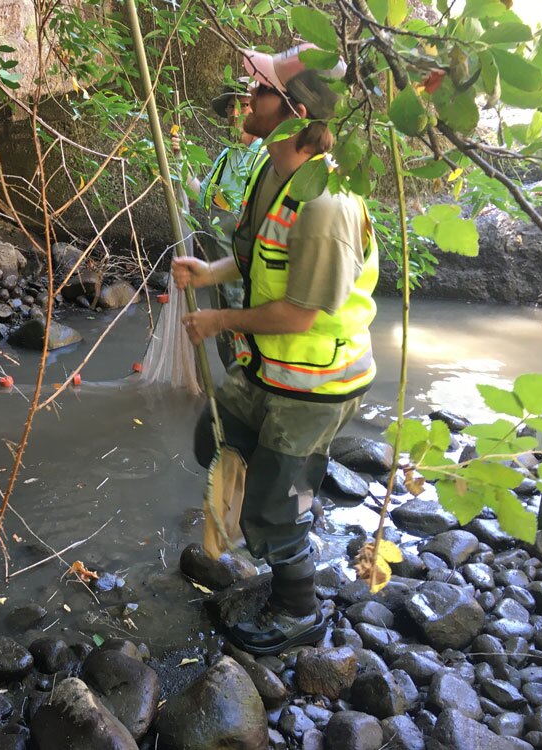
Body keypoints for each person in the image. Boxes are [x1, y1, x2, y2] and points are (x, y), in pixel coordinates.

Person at [172, 44, 379, 655]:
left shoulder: (327, 203)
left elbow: (301, 311)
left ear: (293, 111)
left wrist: (219, 321)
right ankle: (278, 510)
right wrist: (205, 275)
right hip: (269, 368)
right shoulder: (272, 168)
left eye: (258, 90)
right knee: (212, 438)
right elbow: (251, 256)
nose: (245, 97)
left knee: (274, 508)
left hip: (317, 383)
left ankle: (297, 607)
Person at [173, 77, 264, 365]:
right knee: (230, 354)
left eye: (244, 105)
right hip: (220, 276)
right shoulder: (227, 156)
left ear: (257, 109)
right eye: (230, 108)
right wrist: (181, 158)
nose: (235, 113)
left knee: (252, 360)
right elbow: (200, 197)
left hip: (251, 286)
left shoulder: (266, 157)